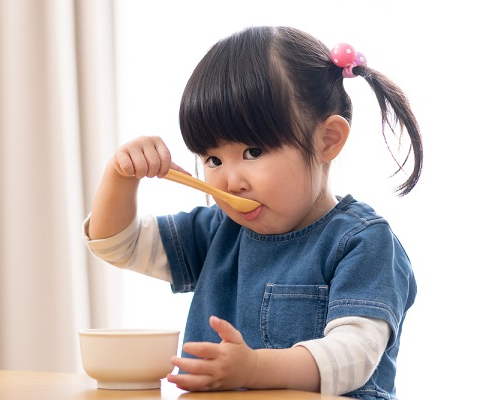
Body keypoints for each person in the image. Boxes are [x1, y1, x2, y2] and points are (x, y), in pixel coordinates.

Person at [84, 26, 423, 400]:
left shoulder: (363, 242)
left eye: (253, 152)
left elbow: (353, 356)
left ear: (327, 140)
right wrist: (120, 176)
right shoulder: (220, 231)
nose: (230, 181)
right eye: (213, 159)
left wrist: (254, 369)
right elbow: (115, 244)